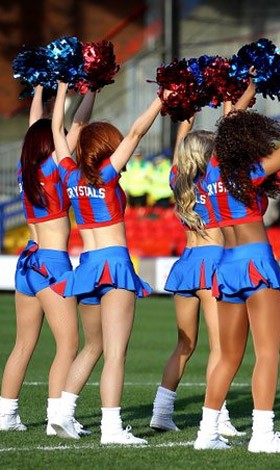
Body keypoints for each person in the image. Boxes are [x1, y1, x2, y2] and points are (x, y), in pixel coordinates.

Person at [193, 93, 280, 454]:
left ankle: (207, 432)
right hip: (256, 263)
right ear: (247, 141)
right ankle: (262, 434)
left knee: (227, 356)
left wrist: (244, 94)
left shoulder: (208, 175)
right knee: (268, 353)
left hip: (225, 266)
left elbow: (230, 124)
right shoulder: (248, 173)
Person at [48, 81, 162, 445]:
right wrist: (161, 99)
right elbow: (136, 130)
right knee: (115, 353)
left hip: (87, 266)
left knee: (92, 346)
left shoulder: (69, 174)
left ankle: (61, 414)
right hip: (114, 263)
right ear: (108, 149)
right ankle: (112, 429)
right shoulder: (109, 175)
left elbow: (58, 129)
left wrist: (76, 91)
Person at [150, 85, 256, 436]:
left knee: (185, 344)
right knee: (222, 347)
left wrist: (186, 120)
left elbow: (181, 155)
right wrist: (236, 100)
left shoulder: (177, 181)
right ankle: (219, 414)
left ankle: (161, 411)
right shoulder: (214, 179)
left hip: (186, 265)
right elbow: (228, 132)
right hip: (213, 264)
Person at [0, 86, 94, 435]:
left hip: (26, 262)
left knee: (23, 345)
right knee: (68, 343)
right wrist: (88, 90)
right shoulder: (54, 166)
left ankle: (6, 415)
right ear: (52, 143)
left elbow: (34, 126)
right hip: (52, 264)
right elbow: (78, 125)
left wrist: (39, 87)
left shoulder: (27, 171)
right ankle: (58, 417)